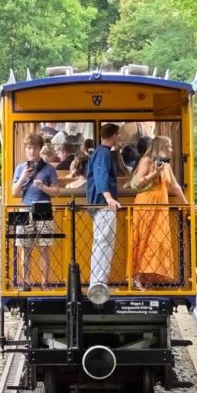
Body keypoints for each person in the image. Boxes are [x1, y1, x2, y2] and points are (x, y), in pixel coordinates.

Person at [130, 135, 189, 288]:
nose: (172, 150)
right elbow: (137, 183)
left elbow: (175, 186)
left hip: (160, 206)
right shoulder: (147, 161)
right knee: (143, 237)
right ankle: (136, 277)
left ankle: (149, 277)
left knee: (157, 240)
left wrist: (187, 204)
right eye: (169, 146)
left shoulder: (166, 165)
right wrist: (155, 173)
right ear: (160, 147)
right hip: (146, 204)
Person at [12, 133, 59, 288]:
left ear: (40, 149)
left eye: (35, 148)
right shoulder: (20, 168)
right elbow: (14, 192)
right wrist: (22, 177)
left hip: (44, 207)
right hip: (24, 207)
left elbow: (56, 192)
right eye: (29, 148)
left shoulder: (49, 169)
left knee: (44, 247)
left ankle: (45, 282)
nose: (32, 151)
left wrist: (43, 187)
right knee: (24, 248)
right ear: (26, 149)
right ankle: (25, 282)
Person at [87, 123, 121, 289]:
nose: (118, 138)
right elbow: (101, 175)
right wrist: (108, 197)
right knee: (104, 242)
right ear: (113, 135)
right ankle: (98, 282)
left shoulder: (99, 152)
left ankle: (98, 281)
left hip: (99, 205)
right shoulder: (104, 153)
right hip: (103, 205)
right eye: (117, 135)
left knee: (102, 242)